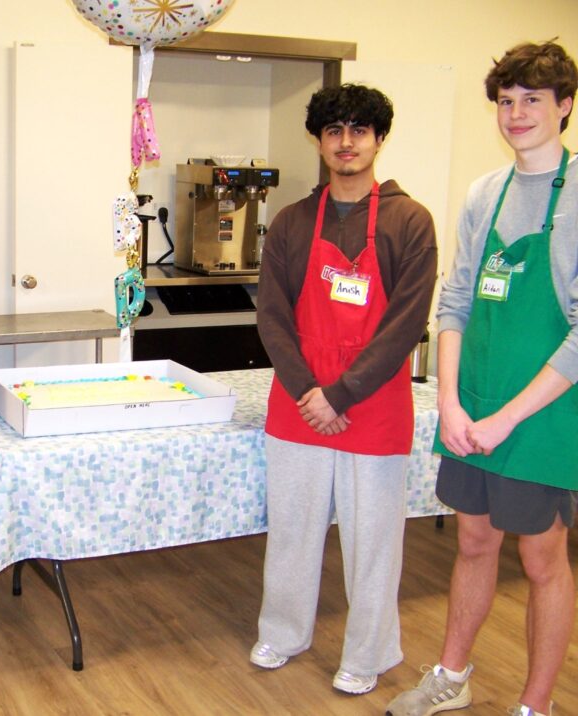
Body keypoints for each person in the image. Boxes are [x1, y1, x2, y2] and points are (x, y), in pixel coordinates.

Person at [387, 41, 578, 716]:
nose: (517, 113)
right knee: (471, 540)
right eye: (506, 101)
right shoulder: (484, 193)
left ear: (565, 107)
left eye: (533, 99)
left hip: (546, 413)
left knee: (543, 560)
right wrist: (451, 402)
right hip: (473, 404)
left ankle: (536, 704)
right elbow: (457, 302)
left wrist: (507, 419)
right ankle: (452, 675)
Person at [250, 83, 438, 695]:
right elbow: (273, 316)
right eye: (335, 131)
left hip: (375, 403)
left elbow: (406, 322)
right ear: (320, 141)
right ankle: (283, 631)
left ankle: (370, 651)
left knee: (373, 540)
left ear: (379, 139)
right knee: (293, 531)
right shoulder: (291, 221)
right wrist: (311, 390)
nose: (346, 142)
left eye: (360, 130)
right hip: (300, 403)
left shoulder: (411, 222)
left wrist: (343, 393)